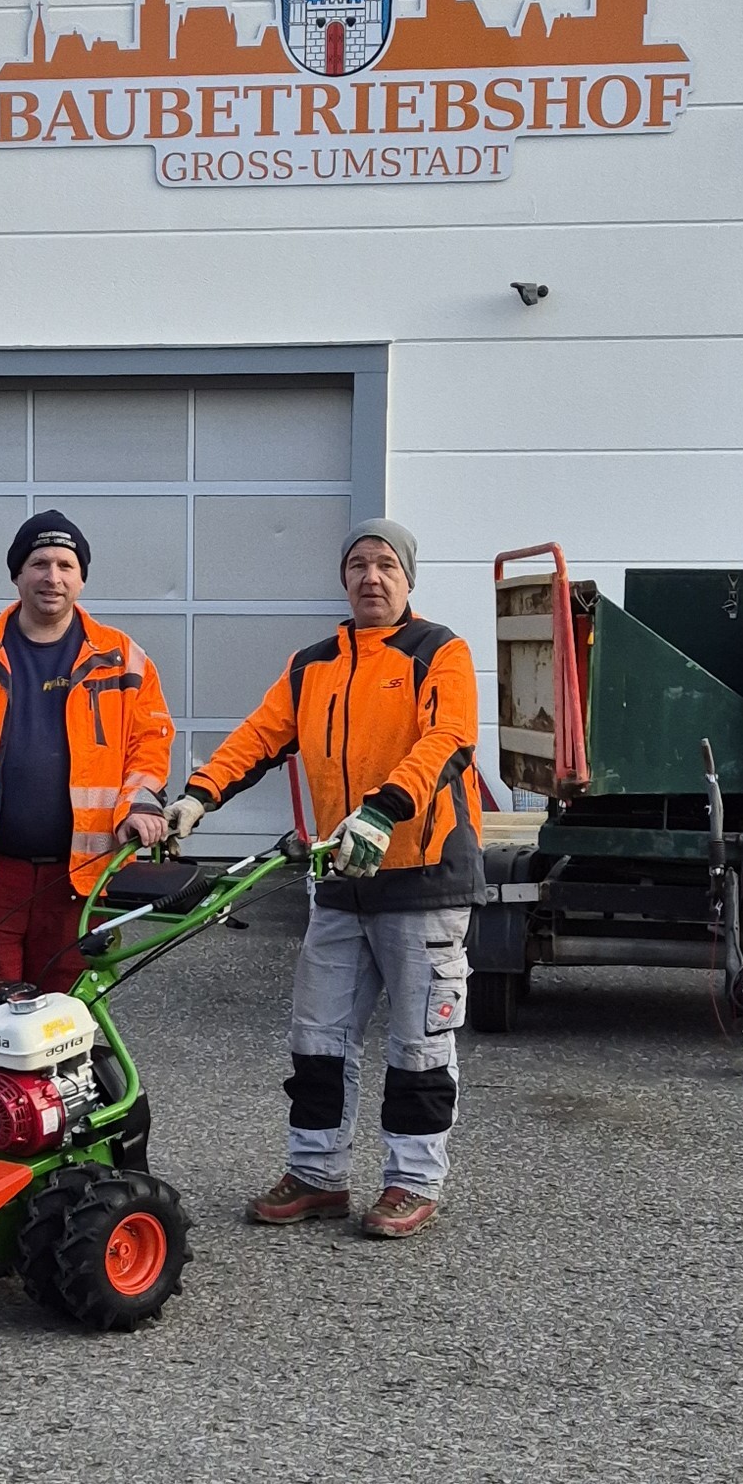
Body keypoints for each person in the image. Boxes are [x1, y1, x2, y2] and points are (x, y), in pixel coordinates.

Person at [166, 517, 481, 1241]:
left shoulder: (439, 652)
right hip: (340, 879)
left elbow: (448, 740)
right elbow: (260, 735)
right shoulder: (314, 662)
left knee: (418, 1045)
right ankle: (315, 1174)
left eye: (385, 565)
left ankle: (411, 1180)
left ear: (408, 578)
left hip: (422, 879)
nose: (371, 577)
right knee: (317, 1037)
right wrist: (197, 795)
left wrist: (382, 810)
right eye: (358, 565)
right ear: (343, 578)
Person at [0, 509, 173, 1018]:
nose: (53, 577)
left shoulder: (124, 659)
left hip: (80, 880)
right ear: (17, 574)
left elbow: (150, 743)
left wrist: (140, 804)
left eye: (66, 565)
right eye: (40, 563)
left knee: (66, 1028)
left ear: (82, 578)